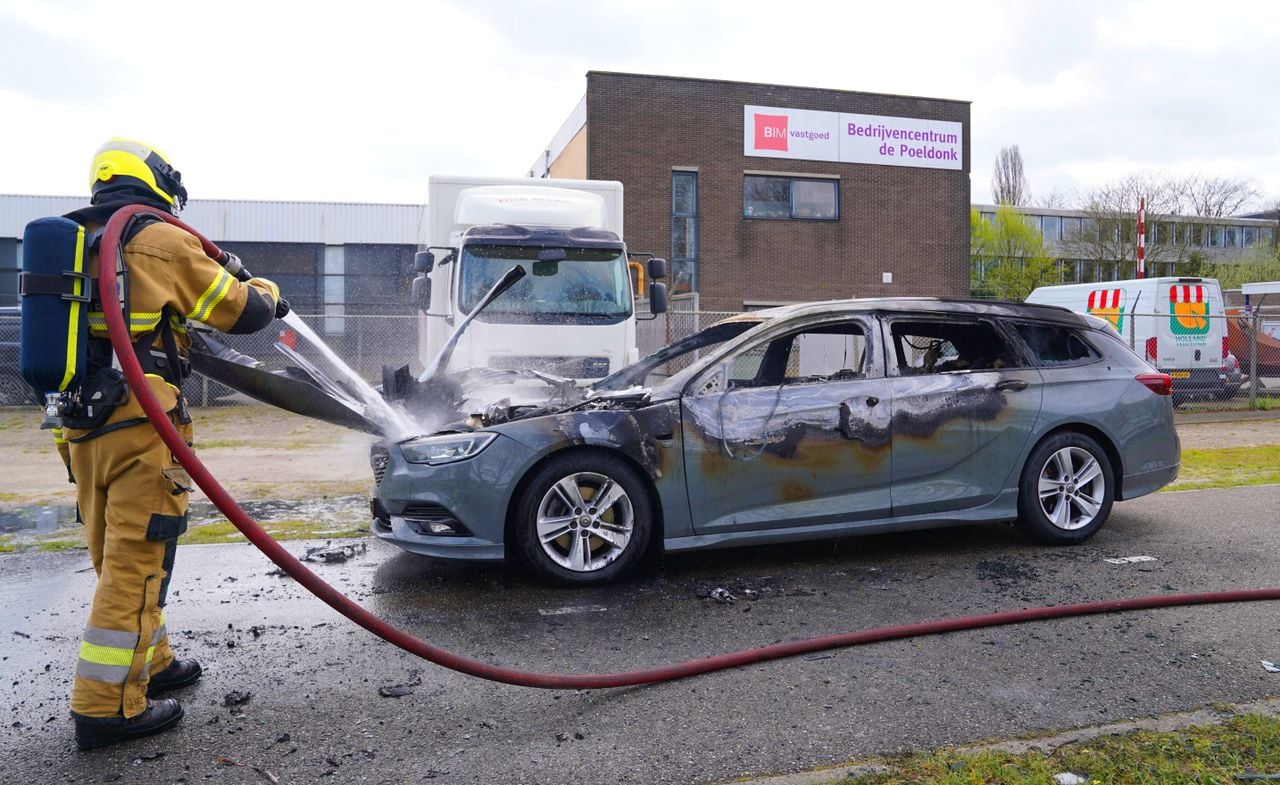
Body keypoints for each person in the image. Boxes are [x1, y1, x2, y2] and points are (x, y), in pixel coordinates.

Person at [57, 138, 286, 750]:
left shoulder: (85, 238)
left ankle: (150, 666)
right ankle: (107, 708)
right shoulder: (156, 239)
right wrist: (260, 284)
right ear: (156, 180)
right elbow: (240, 312)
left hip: (84, 427)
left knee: (120, 558)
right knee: (137, 565)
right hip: (141, 426)